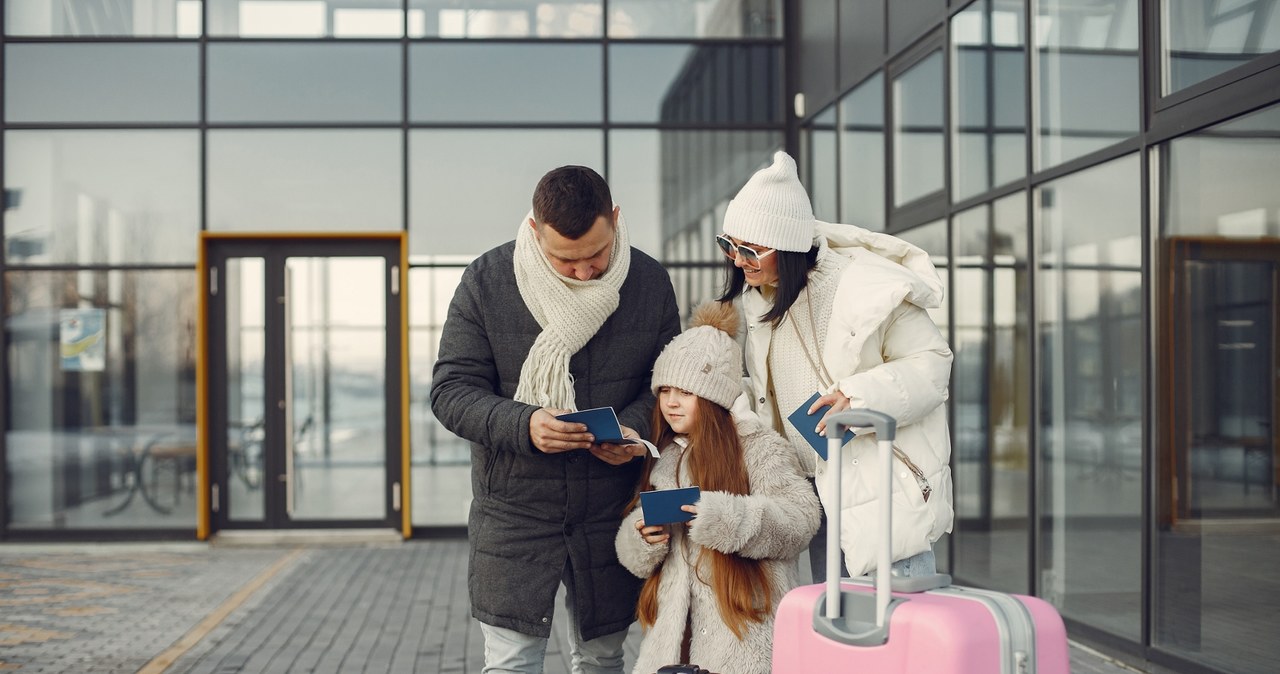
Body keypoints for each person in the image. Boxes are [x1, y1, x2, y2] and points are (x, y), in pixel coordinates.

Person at [430, 165, 682, 674]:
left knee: (603, 659)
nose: (586, 272)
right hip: (514, 514)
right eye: (566, 261)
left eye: (597, 254)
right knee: (512, 664)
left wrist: (633, 431)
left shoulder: (649, 282)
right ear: (533, 231)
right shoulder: (487, 280)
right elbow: (450, 391)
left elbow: (666, 386)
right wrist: (524, 425)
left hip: (612, 508)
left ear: (615, 219)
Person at [716, 150, 954, 581]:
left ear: (787, 246)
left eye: (750, 249)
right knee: (839, 630)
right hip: (814, 491)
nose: (737, 259)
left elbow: (932, 365)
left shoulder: (868, 287)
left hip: (877, 490)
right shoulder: (761, 298)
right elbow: (773, 391)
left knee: (896, 630)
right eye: (728, 245)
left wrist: (858, 398)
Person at [615, 301, 820, 674]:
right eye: (664, 390)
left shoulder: (758, 446)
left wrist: (722, 517)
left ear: (713, 397)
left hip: (744, 636)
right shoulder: (664, 454)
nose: (671, 402)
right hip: (673, 643)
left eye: (685, 392)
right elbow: (635, 560)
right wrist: (643, 537)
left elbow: (801, 519)